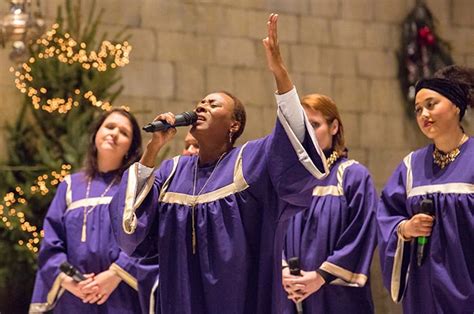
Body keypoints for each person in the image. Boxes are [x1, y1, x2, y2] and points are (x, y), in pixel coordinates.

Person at [109, 14, 328, 314]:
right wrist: (153, 149)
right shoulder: (173, 172)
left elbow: (295, 159)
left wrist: (280, 74)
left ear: (234, 125)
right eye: (200, 102)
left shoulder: (250, 161)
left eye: (214, 104)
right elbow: (132, 233)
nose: (202, 106)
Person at [377, 65, 474, 313]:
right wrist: (406, 229)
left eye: (431, 104)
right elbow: (386, 216)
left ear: (455, 106)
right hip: (423, 297)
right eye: (419, 109)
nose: (424, 115)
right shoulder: (410, 166)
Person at [29, 108, 143, 313]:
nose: (114, 133)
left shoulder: (134, 188)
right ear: (96, 135)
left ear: (130, 148)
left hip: (121, 295)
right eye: (109, 126)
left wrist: (115, 274)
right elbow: (52, 242)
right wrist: (69, 282)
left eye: (124, 132)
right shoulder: (70, 186)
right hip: (74, 297)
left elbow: (145, 239)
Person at [281, 94, 377, 313]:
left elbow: (361, 235)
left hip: (338, 297)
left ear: (334, 127)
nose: (307, 133)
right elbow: (271, 231)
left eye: (315, 125)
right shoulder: (288, 180)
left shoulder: (353, 176)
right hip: (290, 294)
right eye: (302, 126)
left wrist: (320, 277)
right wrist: (284, 270)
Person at [137, 130, 201, 314]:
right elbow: (142, 232)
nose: (189, 151)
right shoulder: (169, 179)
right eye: (186, 145)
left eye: (196, 145)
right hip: (176, 287)